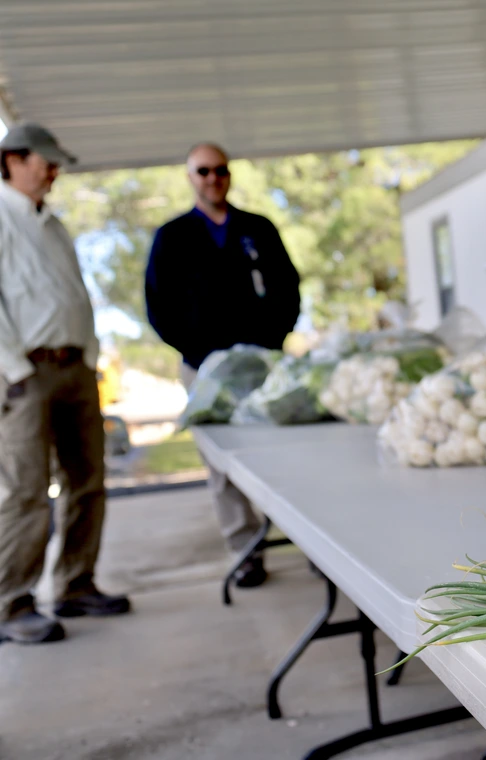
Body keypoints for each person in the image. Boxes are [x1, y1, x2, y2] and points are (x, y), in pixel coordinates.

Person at [145, 143, 300, 588]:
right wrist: (201, 354)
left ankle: (303, 540)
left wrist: (273, 342)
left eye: (221, 171)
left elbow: (288, 289)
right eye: (204, 171)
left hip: (262, 365)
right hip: (204, 369)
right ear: (190, 176)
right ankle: (246, 548)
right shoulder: (171, 237)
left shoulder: (258, 229)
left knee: (279, 452)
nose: (214, 178)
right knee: (223, 461)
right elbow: (158, 307)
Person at [0, 123, 131, 644]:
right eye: (44, 161)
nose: (53, 170)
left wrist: (92, 358)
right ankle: (11, 603)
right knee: (27, 490)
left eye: (56, 162)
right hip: (24, 374)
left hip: (75, 369)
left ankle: (76, 585)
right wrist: (15, 372)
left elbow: (76, 293)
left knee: (88, 480)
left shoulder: (53, 226)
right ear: (12, 159)